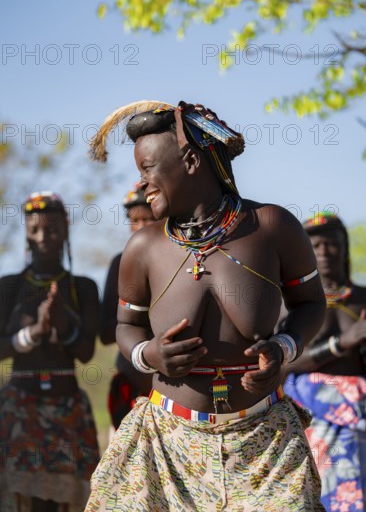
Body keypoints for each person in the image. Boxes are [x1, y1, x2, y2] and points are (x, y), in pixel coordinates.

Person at [85, 100, 326, 511]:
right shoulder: (143, 248)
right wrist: (149, 355)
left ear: (191, 161)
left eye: (147, 169)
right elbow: (126, 325)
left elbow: (310, 305)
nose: (142, 183)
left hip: (264, 445)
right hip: (165, 447)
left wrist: (283, 348)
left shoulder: (272, 227)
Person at [0, 191, 100, 512]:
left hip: (69, 409)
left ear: (66, 231)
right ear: (26, 233)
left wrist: (62, 327)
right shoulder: (9, 287)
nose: (44, 237)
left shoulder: (82, 287)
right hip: (18, 409)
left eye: (53, 229)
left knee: (68, 500)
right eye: (35, 229)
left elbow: (86, 353)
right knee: (20, 499)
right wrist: (34, 333)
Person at [283, 211, 366, 511]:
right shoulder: (290, 305)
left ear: (344, 246)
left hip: (359, 422)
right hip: (307, 420)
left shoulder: (363, 299)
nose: (324, 251)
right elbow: (284, 364)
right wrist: (341, 344)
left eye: (331, 243)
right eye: (315, 245)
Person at [101, 184, 155, 429]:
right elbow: (105, 332)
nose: (141, 227)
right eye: (135, 221)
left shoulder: (179, 259)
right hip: (131, 381)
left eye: (148, 219)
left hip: (171, 388)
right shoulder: (119, 263)